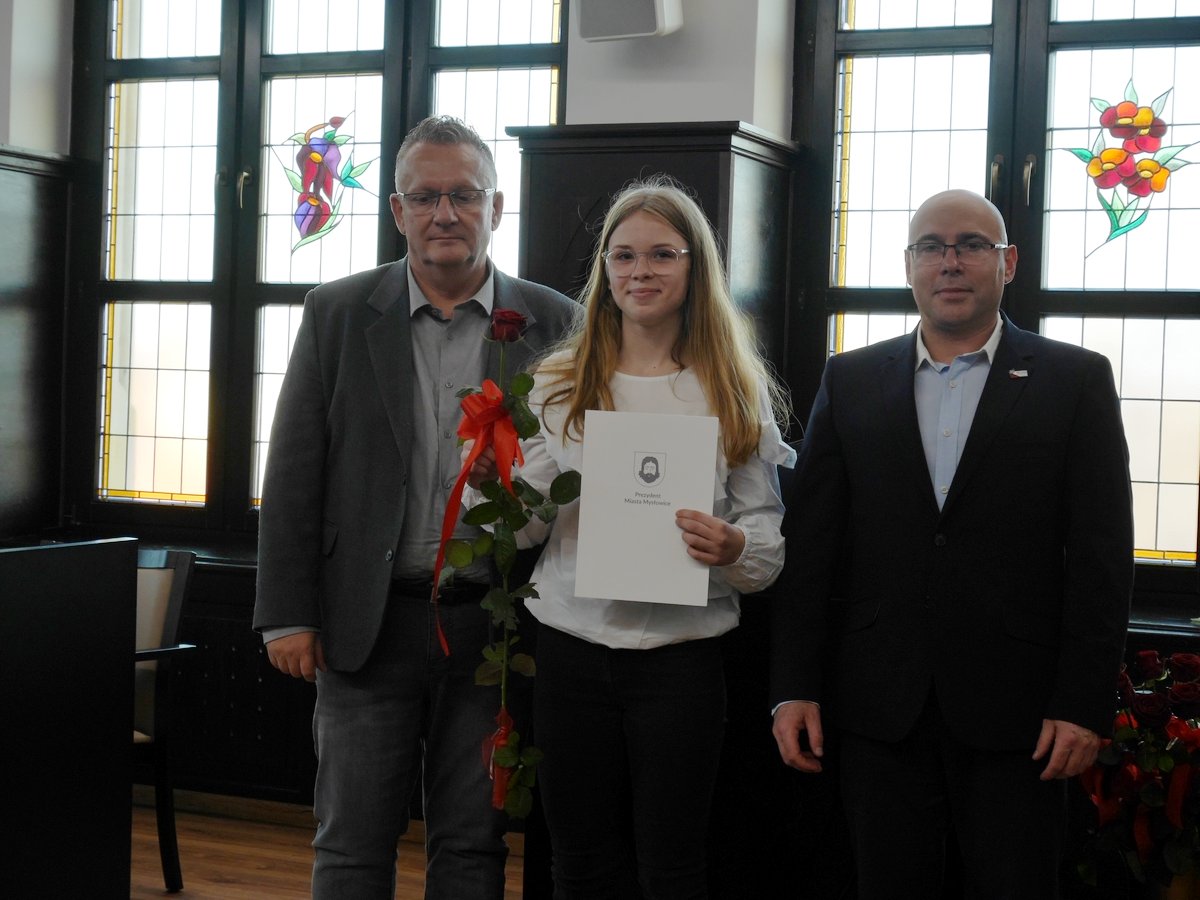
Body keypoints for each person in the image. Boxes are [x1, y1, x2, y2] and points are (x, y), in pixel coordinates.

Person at [769, 189, 1134, 899]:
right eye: (931, 247)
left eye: (972, 245)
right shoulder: (850, 379)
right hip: (878, 705)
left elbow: (1102, 558)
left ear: (1009, 263)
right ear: (909, 264)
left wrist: (1082, 702)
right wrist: (792, 688)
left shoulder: (1074, 380)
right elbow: (811, 549)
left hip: (1023, 713)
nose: (951, 262)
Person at [253, 115, 578, 899]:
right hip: (366, 623)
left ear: (496, 207)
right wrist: (285, 613)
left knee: (472, 845)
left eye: (464, 195)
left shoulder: (556, 323)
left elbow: (578, 469)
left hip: (496, 629)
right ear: (397, 211)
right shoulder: (337, 312)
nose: (445, 213)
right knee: (351, 844)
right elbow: (295, 469)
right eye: (425, 197)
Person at [468, 176, 793, 898]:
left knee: (673, 867)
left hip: (681, 663)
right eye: (623, 256)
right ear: (605, 270)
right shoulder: (560, 382)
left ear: (695, 266)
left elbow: (764, 538)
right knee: (579, 862)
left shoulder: (732, 389)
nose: (640, 271)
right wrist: (493, 486)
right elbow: (527, 527)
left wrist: (735, 548)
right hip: (571, 652)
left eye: (662, 255)